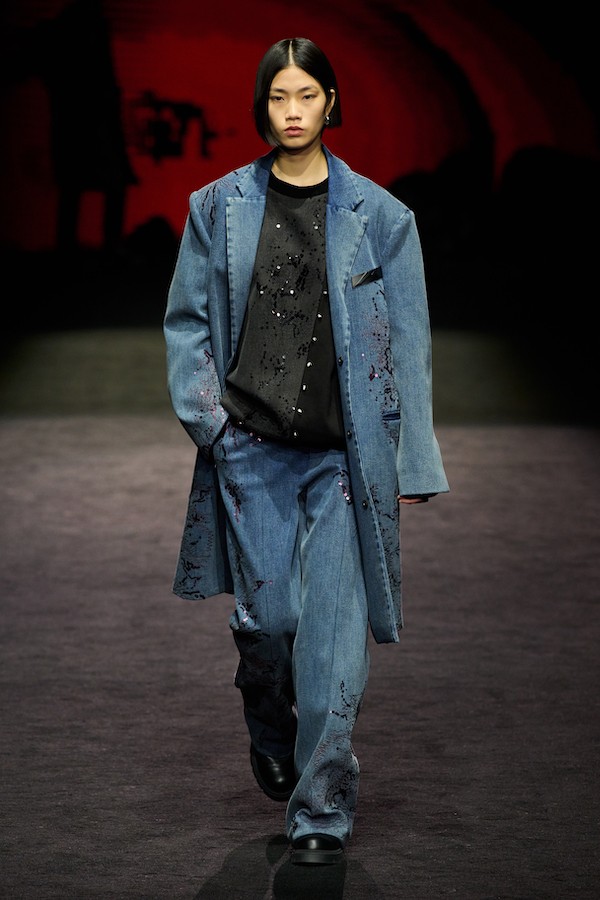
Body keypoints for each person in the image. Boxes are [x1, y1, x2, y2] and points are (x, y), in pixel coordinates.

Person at [164, 37, 449, 866]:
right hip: (250, 450)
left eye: (307, 94)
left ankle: (321, 809)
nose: (292, 111)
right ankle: (266, 713)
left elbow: (410, 345)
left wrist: (412, 459)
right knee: (271, 623)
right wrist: (213, 425)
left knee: (330, 641)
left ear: (331, 102)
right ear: (262, 107)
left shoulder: (384, 218)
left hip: (342, 461)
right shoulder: (217, 207)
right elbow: (187, 324)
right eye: (278, 96)